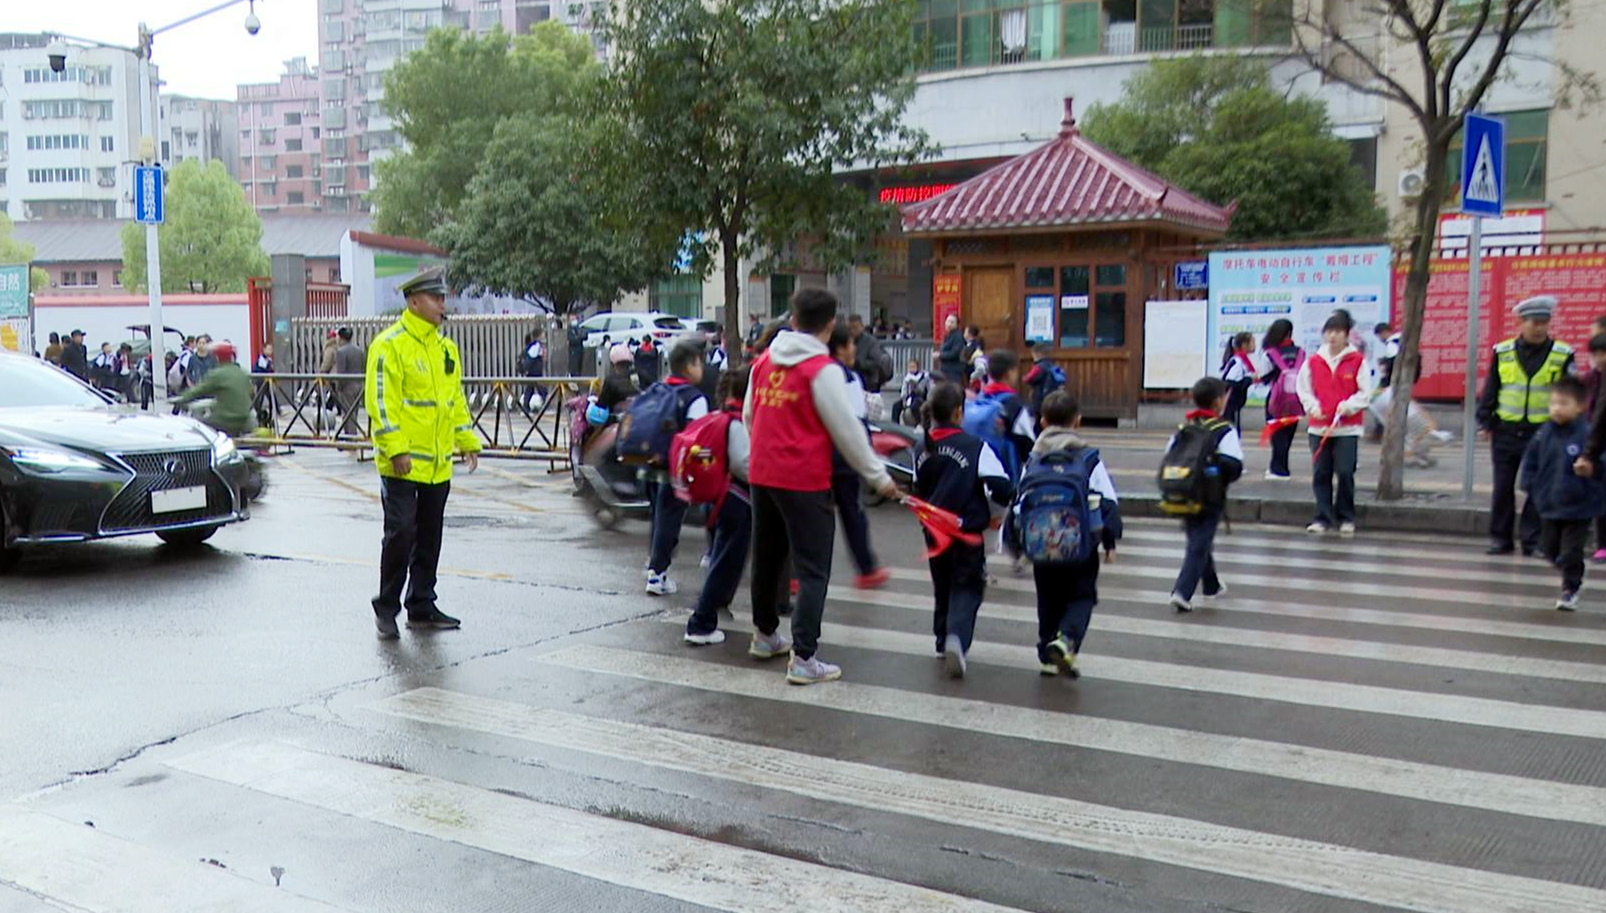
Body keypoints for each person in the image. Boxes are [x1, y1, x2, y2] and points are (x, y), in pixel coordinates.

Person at [744, 288, 898, 685]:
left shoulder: (763, 362)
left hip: (763, 473)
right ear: (830, 324)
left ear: (793, 319)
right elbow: (847, 431)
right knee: (813, 568)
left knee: (767, 557)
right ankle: (804, 656)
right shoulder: (821, 369)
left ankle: (764, 635)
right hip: (803, 478)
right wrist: (878, 477)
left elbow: (749, 414)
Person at [364, 267, 482, 639]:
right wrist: (396, 449)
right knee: (400, 533)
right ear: (414, 301)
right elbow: (381, 402)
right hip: (401, 464)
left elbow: (454, 400)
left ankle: (421, 606)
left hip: (437, 465)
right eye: (436, 298)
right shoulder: (390, 344)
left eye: (443, 298)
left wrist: (467, 441)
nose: (442, 305)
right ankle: (386, 607)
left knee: (430, 536)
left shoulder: (445, 348)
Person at [915, 382, 1015, 678]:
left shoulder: (922, 445)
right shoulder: (974, 447)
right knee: (967, 586)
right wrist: (996, 511)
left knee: (942, 583)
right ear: (959, 412)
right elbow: (1003, 486)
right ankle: (956, 637)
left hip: (933, 529)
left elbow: (919, 488)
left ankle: (940, 639)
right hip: (966, 530)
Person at [1026, 390, 1121, 677]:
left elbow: (1022, 501)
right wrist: (1110, 540)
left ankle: (1046, 655)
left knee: (1047, 598)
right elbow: (1108, 502)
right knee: (1082, 597)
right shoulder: (1089, 458)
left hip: (1042, 544)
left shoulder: (1034, 458)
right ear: (1077, 421)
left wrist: (1017, 542)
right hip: (1080, 546)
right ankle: (1067, 639)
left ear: (1042, 422)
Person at [1478, 295, 1575, 556]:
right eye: (1534, 322)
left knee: (1538, 488)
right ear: (1520, 322)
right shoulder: (1503, 352)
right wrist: (1484, 421)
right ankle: (1501, 539)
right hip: (1506, 430)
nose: (1539, 327)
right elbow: (1492, 388)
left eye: (1544, 322)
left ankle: (1533, 541)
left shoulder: (1562, 354)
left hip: (1544, 432)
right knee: (1502, 487)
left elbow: (1570, 393)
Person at [1521, 375, 1603, 611]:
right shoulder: (1542, 434)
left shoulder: (1588, 435)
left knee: (1570, 551)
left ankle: (1570, 589)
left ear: (1580, 407)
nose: (1557, 408)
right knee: (1548, 548)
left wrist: (1592, 469)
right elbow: (1531, 462)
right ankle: (1569, 567)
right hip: (1549, 503)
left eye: (1564, 403)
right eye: (1554, 403)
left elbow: (1601, 464)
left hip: (1579, 505)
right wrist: (1529, 485)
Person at [683, 369, 753, 645]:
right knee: (725, 563)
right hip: (735, 500)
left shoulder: (718, 417)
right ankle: (700, 623)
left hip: (719, 499)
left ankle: (710, 611)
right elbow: (743, 465)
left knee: (723, 561)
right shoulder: (735, 424)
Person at [1167, 377, 1245, 612]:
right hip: (1210, 497)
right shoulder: (1224, 431)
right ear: (1218, 402)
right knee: (1199, 543)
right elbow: (1234, 466)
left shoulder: (1184, 429)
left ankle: (1211, 585)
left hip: (1183, 492)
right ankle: (1182, 591)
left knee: (1198, 539)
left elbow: (1169, 456)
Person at [1297, 313, 1374, 536]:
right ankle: (1322, 517)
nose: (1332, 336)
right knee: (1321, 473)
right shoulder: (1313, 361)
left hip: (1347, 428)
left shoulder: (1357, 361)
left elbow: (1364, 393)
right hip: (1319, 427)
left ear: (1346, 335)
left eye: (1338, 332)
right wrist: (1313, 408)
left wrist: (1347, 406)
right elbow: (1304, 390)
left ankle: (1346, 516)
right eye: (1329, 331)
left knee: (1345, 471)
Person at [644, 340, 709, 596]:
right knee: (670, 519)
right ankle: (657, 574)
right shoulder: (694, 398)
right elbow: (698, 437)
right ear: (690, 365)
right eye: (699, 363)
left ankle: (655, 568)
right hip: (676, 468)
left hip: (650, 463)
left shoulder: (657, 389)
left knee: (659, 517)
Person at [827, 325, 888, 589]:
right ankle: (866, 568)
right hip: (843, 459)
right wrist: (868, 459)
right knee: (853, 513)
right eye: (852, 344)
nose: (855, 349)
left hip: (815, 458)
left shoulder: (814, 372)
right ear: (841, 348)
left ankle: (793, 575)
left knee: (814, 518)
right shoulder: (848, 377)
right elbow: (856, 422)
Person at [176, 342, 255, 437]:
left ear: (217, 358)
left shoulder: (217, 374)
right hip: (244, 417)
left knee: (197, 424)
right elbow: (251, 392)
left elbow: (198, 390)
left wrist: (181, 398)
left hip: (226, 419)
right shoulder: (242, 372)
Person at [1260, 319, 1303, 481]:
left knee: (1277, 435)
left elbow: (1265, 378)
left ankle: (1277, 469)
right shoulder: (1300, 352)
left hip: (1275, 400)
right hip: (1295, 400)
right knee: (1288, 434)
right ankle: (1283, 468)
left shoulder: (1269, 353)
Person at [1219, 332, 1256, 431]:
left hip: (1235, 403)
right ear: (1244, 345)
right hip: (1230, 403)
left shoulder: (1241, 360)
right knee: (1230, 429)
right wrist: (1250, 379)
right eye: (1252, 341)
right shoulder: (1238, 362)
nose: (1255, 345)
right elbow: (1231, 382)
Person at [333, 327, 366, 437]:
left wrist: (338, 388)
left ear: (341, 338)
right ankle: (350, 434)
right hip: (360, 385)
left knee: (348, 413)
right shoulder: (359, 350)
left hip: (347, 386)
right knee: (354, 412)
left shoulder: (341, 352)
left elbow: (341, 372)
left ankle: (350, 436)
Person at [1022, 341, 1064, 424]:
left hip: (1040, 399)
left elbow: (1028, 378)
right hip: (1052, 399)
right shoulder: (1053, 366)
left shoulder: (1039, 367)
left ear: (1037, 354)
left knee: (1038, 423)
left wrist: (1024, 377)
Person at [848, 314, 891, 393]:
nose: (852, 331)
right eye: (850, 328)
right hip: (852, 380)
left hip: (869, 381)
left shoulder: (871, 341)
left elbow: (876, 361)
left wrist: (858, 363)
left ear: (862, 327)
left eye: (855, 328)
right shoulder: (847, 340)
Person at [598, 343, 640, 415]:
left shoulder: (610, 380)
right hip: (640, 417)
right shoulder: (641, 376)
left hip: (618, 420)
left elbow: (602, 404)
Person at [894, 358, 930, 426]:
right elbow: (904, 390)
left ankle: (917, 423)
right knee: (896, 406)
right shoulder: (907, 377)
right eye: (910, 367)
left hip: (919, 397)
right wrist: (904, 398)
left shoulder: (924, 377)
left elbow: (924, 390)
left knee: (914, 406)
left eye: (913, 367)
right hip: (908, 397)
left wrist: (915, 386)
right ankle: (895, 424)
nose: (911, 369)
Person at [520, 328, 546, 413]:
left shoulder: (537, 345)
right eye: (542, 335)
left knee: (530, 389)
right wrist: (527, 369)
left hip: (534, 372)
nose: (544, 336)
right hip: (534, 372)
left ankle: (526, 408)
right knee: (540, 390)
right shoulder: (536, 346)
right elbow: (531, 359)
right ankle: (527, 408)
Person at [254, 342, 277, 426]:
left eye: (271, 349)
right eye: (269, 349)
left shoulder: (268, 360)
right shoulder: (261, 359)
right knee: (261, 397)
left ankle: (274, 412)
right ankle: (259, 414)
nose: (271, 351)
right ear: (264, 350)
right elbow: (264, 369)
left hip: (267, 381)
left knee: (271, 396)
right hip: (261, 381)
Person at [938, 314, 966, 382]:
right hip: (945, 369)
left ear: (957, 324)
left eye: (952, 322)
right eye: (948, 321)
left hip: (953, 370)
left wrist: (940, 355)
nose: (949, 324)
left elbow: (955, 353)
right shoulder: (947, 335)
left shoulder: (957, 336)